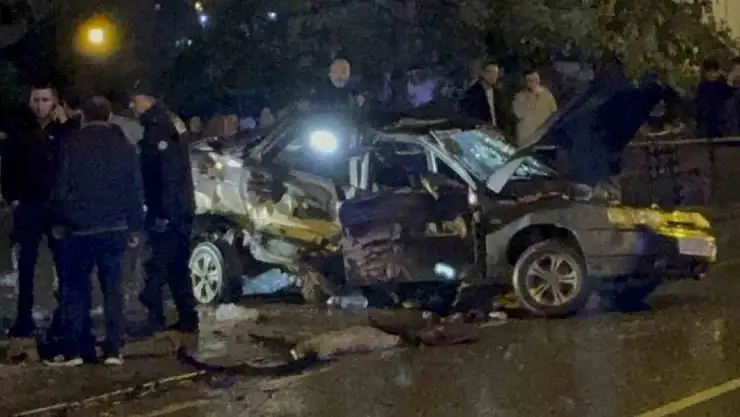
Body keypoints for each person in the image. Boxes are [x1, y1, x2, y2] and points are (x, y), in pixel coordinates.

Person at [46, 96, 144, 366]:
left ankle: (76, 349)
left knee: (76, 289)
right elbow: (134, 188)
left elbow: (60, 186)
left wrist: (59, 222)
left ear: (84, 117)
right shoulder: (124, 146)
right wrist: (134, 226)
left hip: (78, 230)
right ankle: (113, 349)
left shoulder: (71, 144)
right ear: (108, 116)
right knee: (113, 289)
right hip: (114, 228)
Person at [0, 82, 75, 357]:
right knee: (26, 266)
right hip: (29, 206)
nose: (40, 105)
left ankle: (65, 317)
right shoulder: (21, 130)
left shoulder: (65, 131)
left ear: (55, 102)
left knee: (64, 265)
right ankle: (24, 319)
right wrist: (14, 198)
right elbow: (7, 166)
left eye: (45, 100)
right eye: (36, 100)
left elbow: (74, 163)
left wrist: (65, 127)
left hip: (57, 209)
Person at [130, 82, 199, 343]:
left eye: (136, 100)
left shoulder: (158, 126)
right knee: (177, 265)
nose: (133, 106)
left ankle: (155, 319)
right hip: (179, 208)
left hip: (167, 210)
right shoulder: (170, 121)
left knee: (155, 265)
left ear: (147, 100)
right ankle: (187, 317)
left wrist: (163, 212)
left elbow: (167, 174)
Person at [459, 60, 513, 135]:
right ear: (482, 73)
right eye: (490, 72)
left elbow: (503, 116)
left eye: (496, 73)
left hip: (497, 134)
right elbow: (467, 116)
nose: (493, 76)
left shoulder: (498, 94)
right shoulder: (473, 93)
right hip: (479, 134)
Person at [512, 69, 558, 147]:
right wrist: (530, 98)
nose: (534, 83)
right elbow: (518, 115)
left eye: (535, 80)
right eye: (530, 81)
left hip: (541, 138)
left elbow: (554, 116)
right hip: (525, 139)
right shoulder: (519, 97)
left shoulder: (548, 96)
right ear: (525, 82)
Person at [695, 59, 733, 138]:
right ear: (704, 72)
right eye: (708, 71)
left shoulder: (724, 86)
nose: (711, 74)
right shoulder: (701, 87)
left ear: (718, 72)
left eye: (714, 71)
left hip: (723, 123)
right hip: (707, 124)